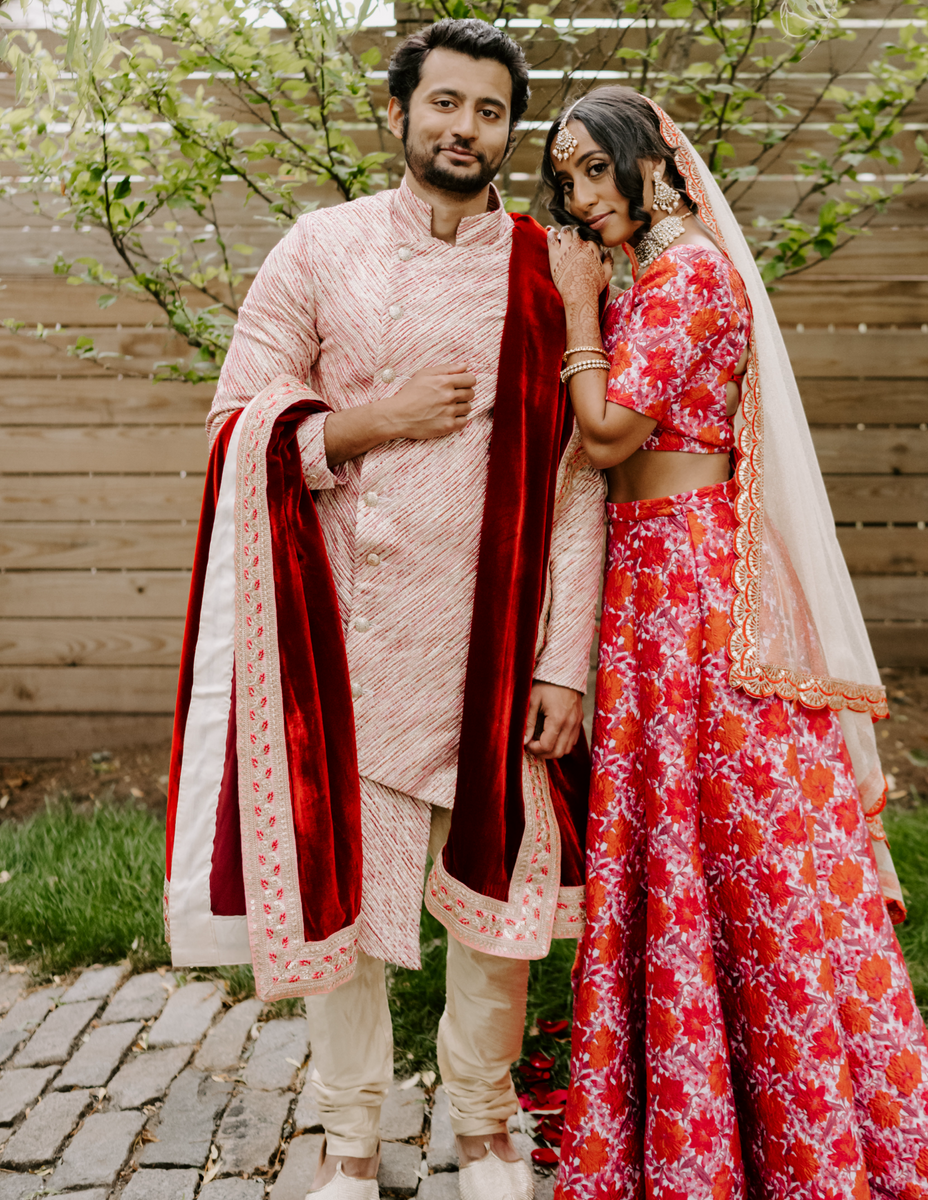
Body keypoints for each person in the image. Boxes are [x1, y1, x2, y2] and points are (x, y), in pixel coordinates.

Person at [168, 20, 605, 1200]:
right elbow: (231, 423)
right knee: (341, 897)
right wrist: (373, 421)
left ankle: (484, 1127)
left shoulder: (542, 266)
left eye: (491, 111)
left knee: (499, 901)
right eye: (446, 104)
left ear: (513, 131)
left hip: (493, 640)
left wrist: (564, 662)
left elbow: (577, 482)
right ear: (401, 111)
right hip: (346, 638)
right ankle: (350, 1138)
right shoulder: (321, 248)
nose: (466, 128)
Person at [541, 87, 928, 1200]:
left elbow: (607, 434)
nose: (582, 197)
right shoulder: (656, 271)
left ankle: (815, 1136)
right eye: (567, 177)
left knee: (739, 846)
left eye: (597, 170)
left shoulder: (683, 275)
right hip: (652, 577)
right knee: (678, 848)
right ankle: (706, 1135)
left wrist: (577, 312)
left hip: (692, 582)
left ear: (654, 164)